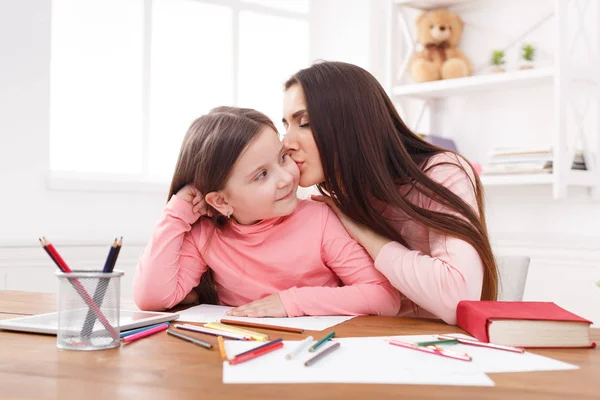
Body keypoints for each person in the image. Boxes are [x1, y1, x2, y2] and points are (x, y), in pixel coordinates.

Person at [280, 61, 498, 325]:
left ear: (350, 123)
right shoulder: (336, 197)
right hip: (366, 342)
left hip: (437, 348)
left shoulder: (442, 173)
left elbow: (459, 298)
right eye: (286, 126)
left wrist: (359, 229)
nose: (286, 143)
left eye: (304, 123)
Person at [133, 106, 400, 318]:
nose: (285, 178)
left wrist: (290, 302)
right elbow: (152, 298)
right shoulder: (206, 234)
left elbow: (384, 296)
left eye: (282, 157)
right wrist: (177, 212)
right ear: (222, 202)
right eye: (261, 175)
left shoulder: (320, 220)